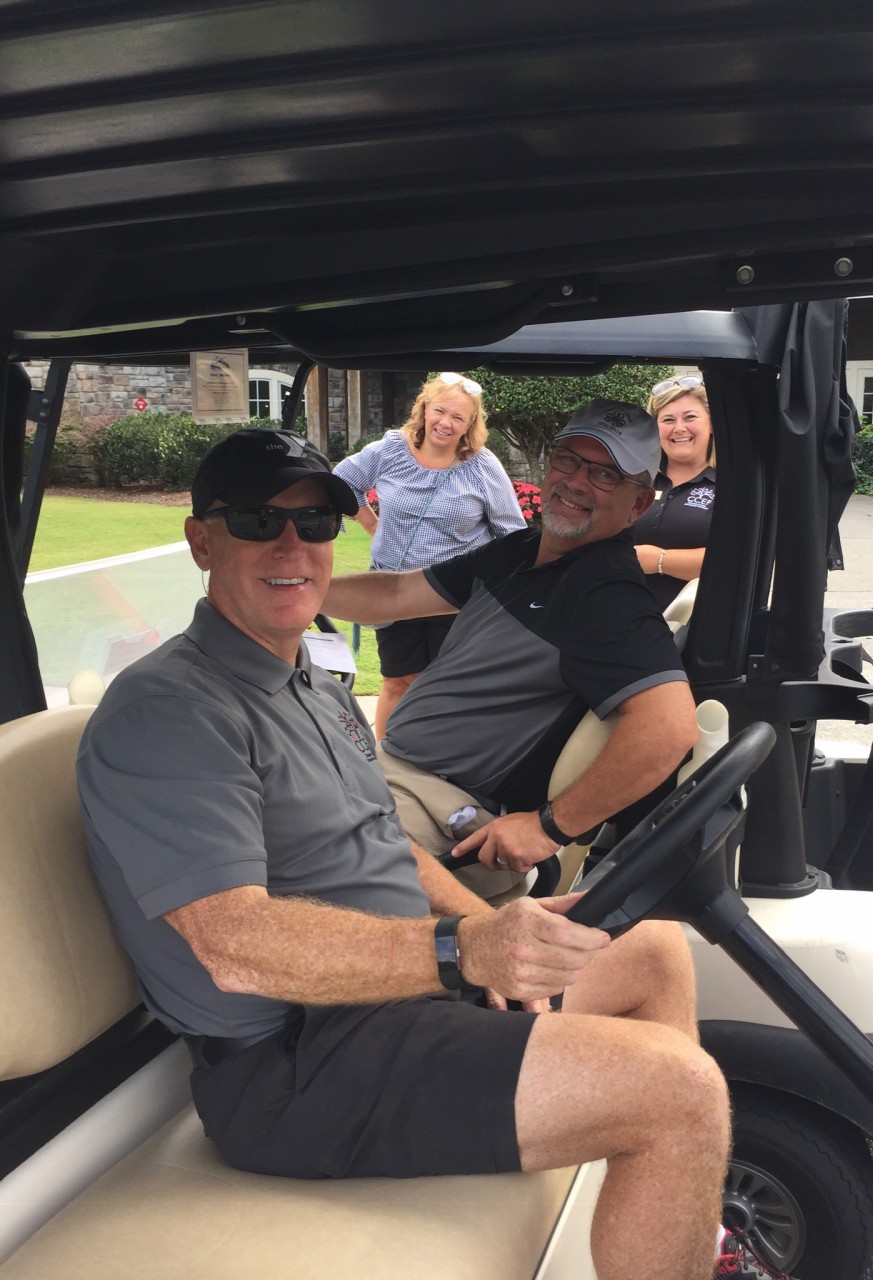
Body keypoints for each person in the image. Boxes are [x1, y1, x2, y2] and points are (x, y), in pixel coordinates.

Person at [74, 427, 785, 1280]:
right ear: (201, 540)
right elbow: (234, 947)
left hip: (396, 1005)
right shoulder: (171, 710)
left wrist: (489, 926)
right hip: (300, 1066)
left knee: (658, 952)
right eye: (260, 523)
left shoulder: (310, 681)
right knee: (682, 1091)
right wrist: (461, 954)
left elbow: (385, 845)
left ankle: (661, 1213)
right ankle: (656, 1155)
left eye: (316, 526)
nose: (293, 547)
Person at [322, 399, 694, 901]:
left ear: (638, 504)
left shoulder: (604, 595)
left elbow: (670, 727)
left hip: (440, 813)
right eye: (568, 460)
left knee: (279, 862)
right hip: (387, 774)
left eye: (606, 475)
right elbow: (395, 594)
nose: (577, 482)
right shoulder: (520, 551)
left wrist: (548, 828)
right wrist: (295, 591)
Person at [333, 372, 526, 739]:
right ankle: (387, 766)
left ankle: (434, 762)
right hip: (391, 590)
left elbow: (512, 533)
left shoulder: (482, 466)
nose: (446, 423)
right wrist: (373, 525)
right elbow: (342, 481)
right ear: (423, 408)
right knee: (395, 682)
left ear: (471, 423)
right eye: (440, 411)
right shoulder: (390, 449)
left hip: (453, 596)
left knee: (443, 686)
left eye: (458, 417)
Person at [632, 374, 716, 611]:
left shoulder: (731, 486)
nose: (679, 428)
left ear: (711, 425)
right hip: (620, 619)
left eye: (690, 417)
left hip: (695, 628)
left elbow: (734, 561)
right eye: (668, 420)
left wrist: (659, 561)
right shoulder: (634, 481)